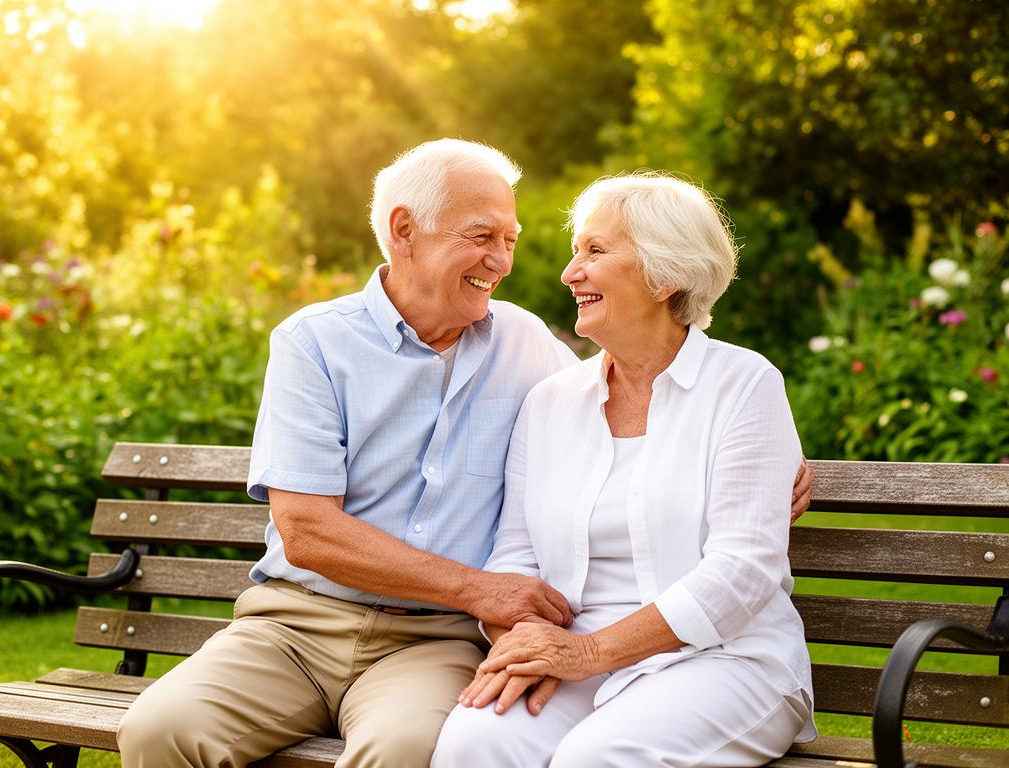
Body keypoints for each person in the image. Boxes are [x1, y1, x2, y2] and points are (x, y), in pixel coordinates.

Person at [116, 141, 814, 768]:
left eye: (512, 240)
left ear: (666, 274)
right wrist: (511, 614)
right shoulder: (325, 345)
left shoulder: (541, 353)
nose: (515, 265)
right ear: (404, 232)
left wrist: (761, 466)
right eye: (483, 237)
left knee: (460, 750)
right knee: (163, 730)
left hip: (487, 646)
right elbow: (317, 531)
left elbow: (733, 538)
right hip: (303, 626)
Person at [432, 173, 816, 768]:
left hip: (724, 658)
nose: (569, 273)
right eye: (574, 250)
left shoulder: (744, 385)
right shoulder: (550, 401)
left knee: (598, 757)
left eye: (595, 250)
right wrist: (525, 645)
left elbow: (743, 571)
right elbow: (517, 555)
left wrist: (587, 655)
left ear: (666, 274)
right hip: (576, 655)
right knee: (473, 740)